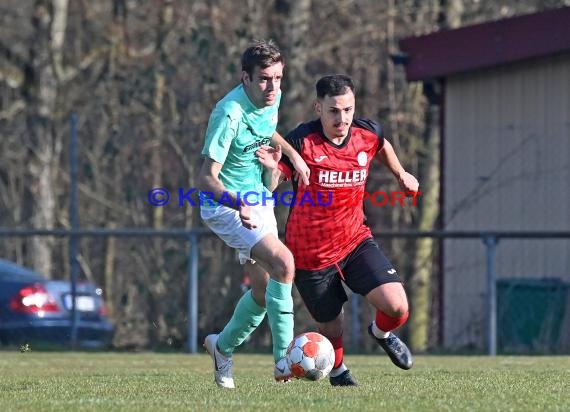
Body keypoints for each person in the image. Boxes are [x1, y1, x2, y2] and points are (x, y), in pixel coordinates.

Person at [258, 74, 419, 386]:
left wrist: (401, 174)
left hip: (354, 240)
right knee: (332, 326)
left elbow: (381, 144)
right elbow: (275, 179)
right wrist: (270, 170)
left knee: (398, 306)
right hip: (309, 253)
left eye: (348, 110)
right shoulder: (302, 141)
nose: (342, 118)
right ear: (319, 108)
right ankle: (338, 372)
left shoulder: (366, 132)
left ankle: (381, 333)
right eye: (334, 111)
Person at [198, 39, 310, 389]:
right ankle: (285, 362)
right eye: (264, 79)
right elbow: (204, 180)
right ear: (245, 78)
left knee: (264, 293)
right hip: (226, 204)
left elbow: (266, 131)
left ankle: (222, 347)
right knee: (284, 263)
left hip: (258, 198)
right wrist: (239, 203)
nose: (273, 87)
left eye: (278, 78)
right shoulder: (228, 112)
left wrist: (291, 158)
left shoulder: (270, 101)